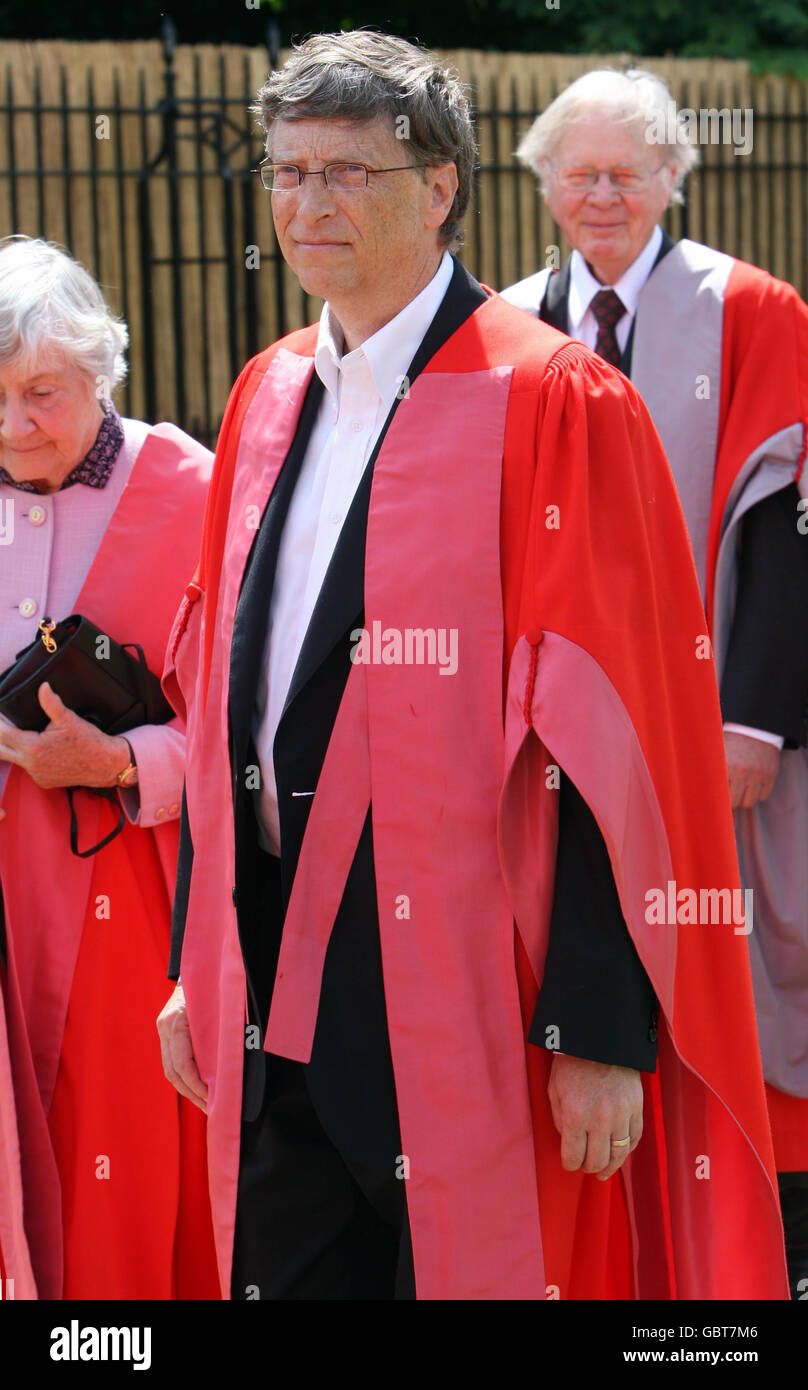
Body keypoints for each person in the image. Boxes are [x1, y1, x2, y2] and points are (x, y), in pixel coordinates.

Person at [158, 32, 788, 1300]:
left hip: (473, 982)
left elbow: (616, 737)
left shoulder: (554, 398)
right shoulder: (265, 393)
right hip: (272, 962)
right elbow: (226, 691)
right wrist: (197, 953)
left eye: (347, 170)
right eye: (286, 173)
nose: (306, 204)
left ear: (439, 186)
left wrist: (599, 1030)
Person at [502, 67, 808, 1297]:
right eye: (579, 172)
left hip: (713, 724)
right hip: (563, 728)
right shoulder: (513, 322)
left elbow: (785, 519)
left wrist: (755, 716)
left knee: (739, 972)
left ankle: (753, 1260)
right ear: (543, 188)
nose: (603, 194)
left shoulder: (752, 309)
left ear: (677, 173)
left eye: (629, 170)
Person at [0, 236, 220, 1299]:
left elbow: (252, 724)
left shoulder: (194, 488)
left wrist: (123, 758)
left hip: (135, 903)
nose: (13, 425)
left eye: (42, 392)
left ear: (101, 368)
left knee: (124, 1170)